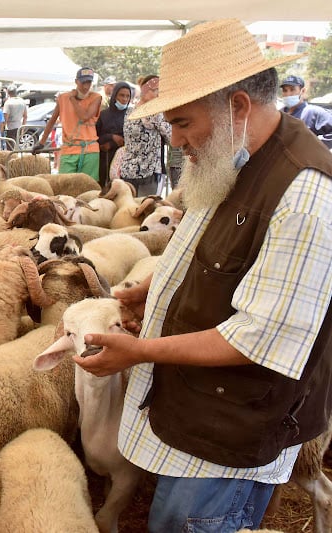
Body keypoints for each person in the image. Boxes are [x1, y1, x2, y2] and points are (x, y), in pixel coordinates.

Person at [74, 19, 332, 532]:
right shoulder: (232, 163)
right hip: (197, 409)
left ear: (237, 106)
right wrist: (156, 291)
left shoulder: (304, 196)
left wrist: (140, 351)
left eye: (184, 122)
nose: (176, 139)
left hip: (231, 434)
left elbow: (258, 339)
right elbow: (210, 255)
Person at [35, 67, 102, 180]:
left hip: (90, 149)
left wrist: (73, 99)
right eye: (83, 82)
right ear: (76, 81)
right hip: (69, 148)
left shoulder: (96, 97)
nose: (86, 86)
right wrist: (41, 142)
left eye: (89, 82)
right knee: (65, 186)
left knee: (88, 188)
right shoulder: (63, 98)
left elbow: (84, 116)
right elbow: (52, 121)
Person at [119, 75, 171, 196]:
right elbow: (171, 136)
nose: (159, 95)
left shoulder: (130, 111)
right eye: (156, 91)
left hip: (128, 171)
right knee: (146, 210)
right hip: (148, 174)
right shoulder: (153, 113)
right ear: (146, 91)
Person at [96, 81, 132, 187]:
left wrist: (112, 144)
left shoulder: (132, 115)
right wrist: (111, 136)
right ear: (115, 95)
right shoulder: (104, 115)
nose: (124, 99)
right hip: (105, 158)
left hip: (124, 161)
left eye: (127, 96)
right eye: (121, 95)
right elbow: (96, 135)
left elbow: (131, 138)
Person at [280, 75, 332, 148]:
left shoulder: (313, 112)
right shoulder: (279, 114)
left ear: (303, 91)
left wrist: (316, 147)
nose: (288, 94)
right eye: (285, 90)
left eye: (292, 89)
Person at [3, 85, 27, 149]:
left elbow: (5, 118)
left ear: (8, 92)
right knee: (17, 148)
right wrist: (23, 129)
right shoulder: (22, 101)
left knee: (10, 149)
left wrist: (2, 128)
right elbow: (25, 116)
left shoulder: (8, 102)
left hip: (10, 128)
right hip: (19, 127)